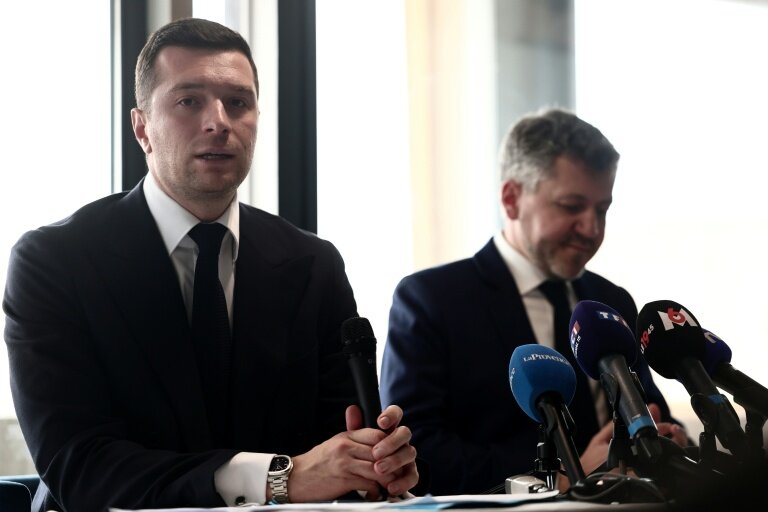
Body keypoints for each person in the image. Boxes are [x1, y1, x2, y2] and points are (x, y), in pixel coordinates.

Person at [3, 18, 417, 512]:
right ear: (141, 129)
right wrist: (277, 477)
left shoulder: (313, 264)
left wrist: (371, 463)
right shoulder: (55, 262)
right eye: (188, 101)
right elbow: (81, 466)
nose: (218, 121)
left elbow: (334, 445)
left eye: (238, 103)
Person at [379, 108, 688, 495]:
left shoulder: (612, 302)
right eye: (572, 206)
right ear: (512, 199)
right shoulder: (431, 300)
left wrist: (670, 441)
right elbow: (416, 453)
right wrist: (562, 476)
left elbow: (652, 415)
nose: (592, 229)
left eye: (602, 209)